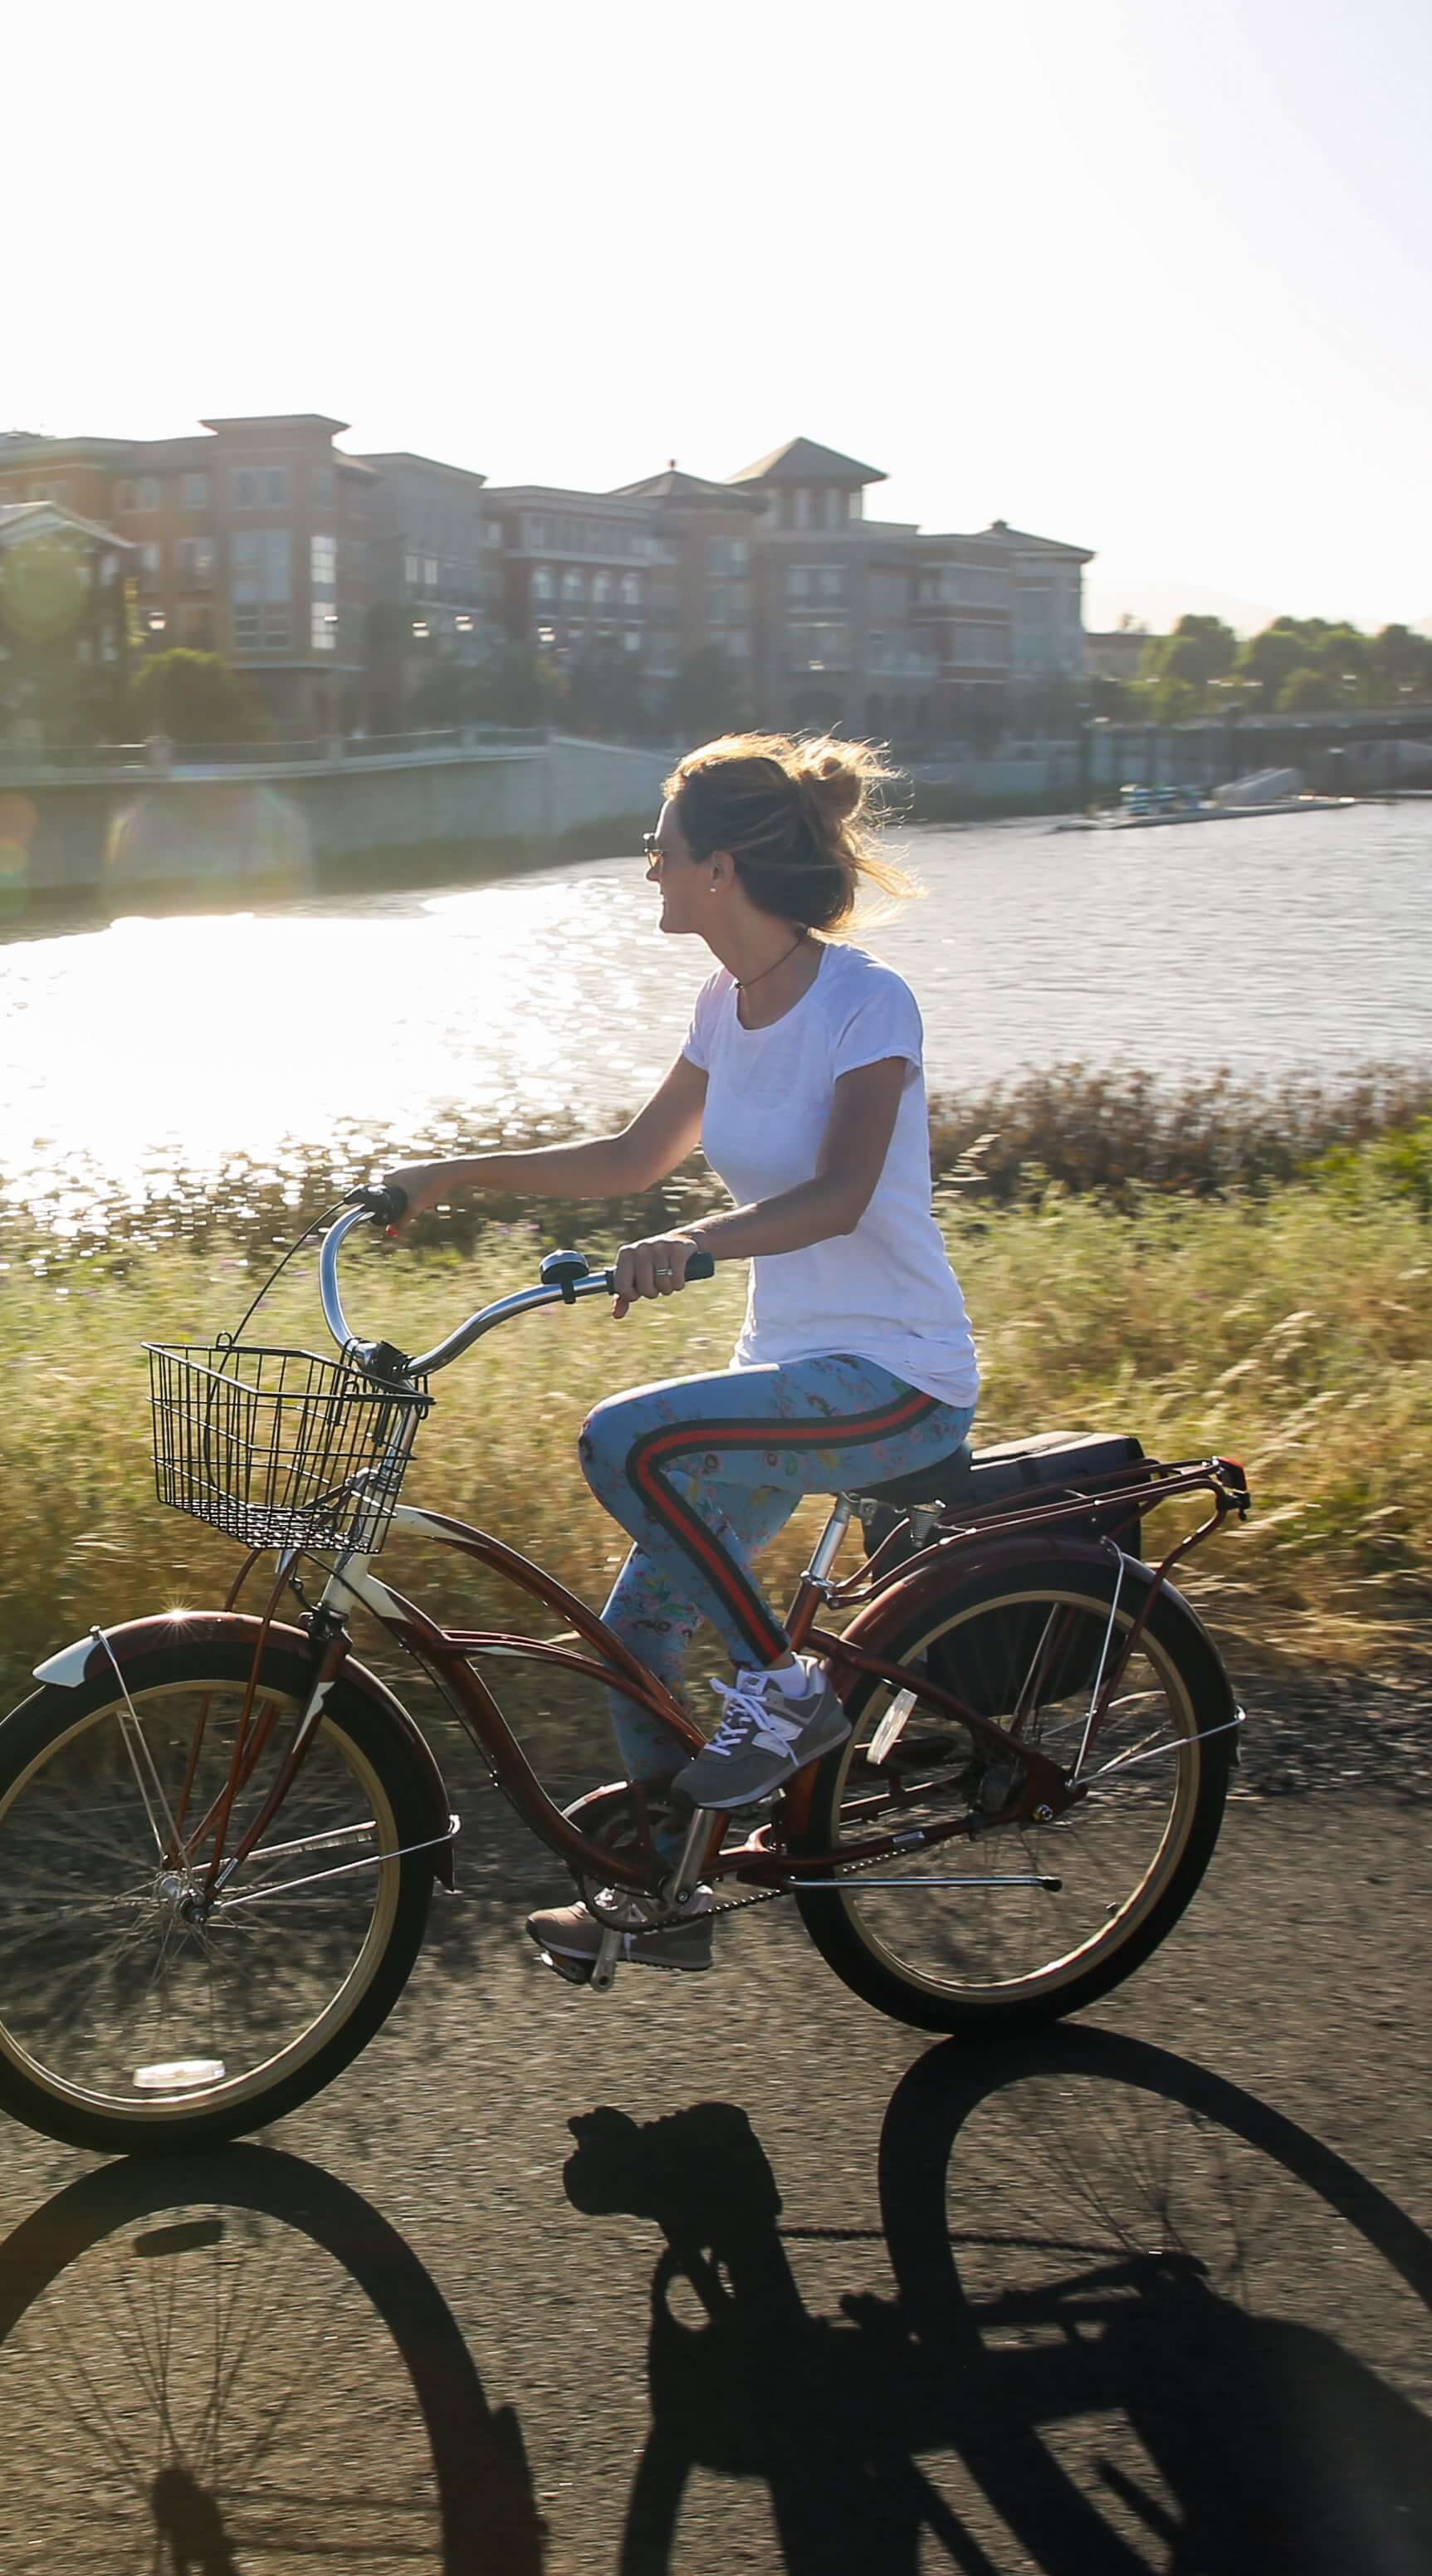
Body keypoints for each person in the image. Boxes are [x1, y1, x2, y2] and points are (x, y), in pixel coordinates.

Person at [370, 731, 978, 1977]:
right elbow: (631, 1160)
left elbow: (844, 1194)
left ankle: (787, 1701)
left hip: (895, 1378)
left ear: (722, 867)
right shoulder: (724, 1001)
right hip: (792, 1373)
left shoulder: (869, 1001)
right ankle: (664, 1890)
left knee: (626, 1439)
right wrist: (447, 1175)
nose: (647, 867)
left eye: (663, 848)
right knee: (637, 1630)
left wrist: (697, 1239)